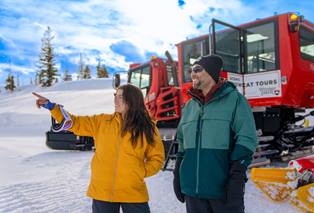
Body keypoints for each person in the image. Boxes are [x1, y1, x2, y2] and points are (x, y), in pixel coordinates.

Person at [32, 84, 165, 213]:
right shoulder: (102, 122)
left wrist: (139, 172)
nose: (115, 100)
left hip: (133, 190)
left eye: (120, 96)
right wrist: (51, 107)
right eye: (115, 95)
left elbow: (157, 158)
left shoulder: (148, 128)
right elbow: (75, 123)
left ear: (132, 100)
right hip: (103, 191)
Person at [173, 54, 257, 213]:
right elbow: (183, 142)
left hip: (223, 192)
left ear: (211, 73)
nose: (192, 74)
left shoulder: (235, 100)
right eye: (191, 70)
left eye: (197, 69)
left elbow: (247, 138)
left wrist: (237, 177)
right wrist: (178, 171)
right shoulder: (190, 106)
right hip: (193, 194)